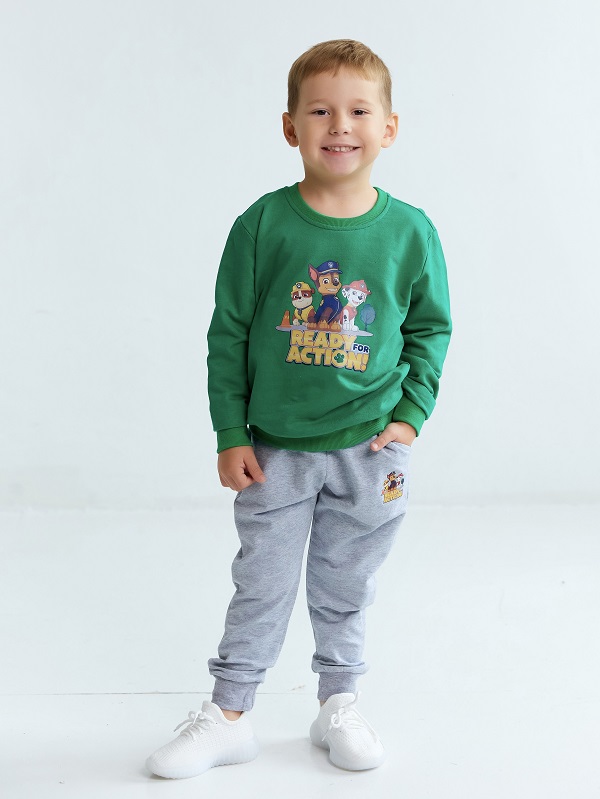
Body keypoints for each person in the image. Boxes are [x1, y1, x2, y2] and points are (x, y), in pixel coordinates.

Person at [146, 38, 452, 779]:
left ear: (389, 127)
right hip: (274, 449)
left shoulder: (411, 232)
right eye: (319, 111)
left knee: (346, 584)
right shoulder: (261, 225)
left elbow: (429, 329)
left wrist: (409, 416)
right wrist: (230, 430)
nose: (339, 125)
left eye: (358, 111)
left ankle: (338, 701)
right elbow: (228, 334)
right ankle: (230, 714)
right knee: (262, 582)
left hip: (370, 451)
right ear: (290, 128)